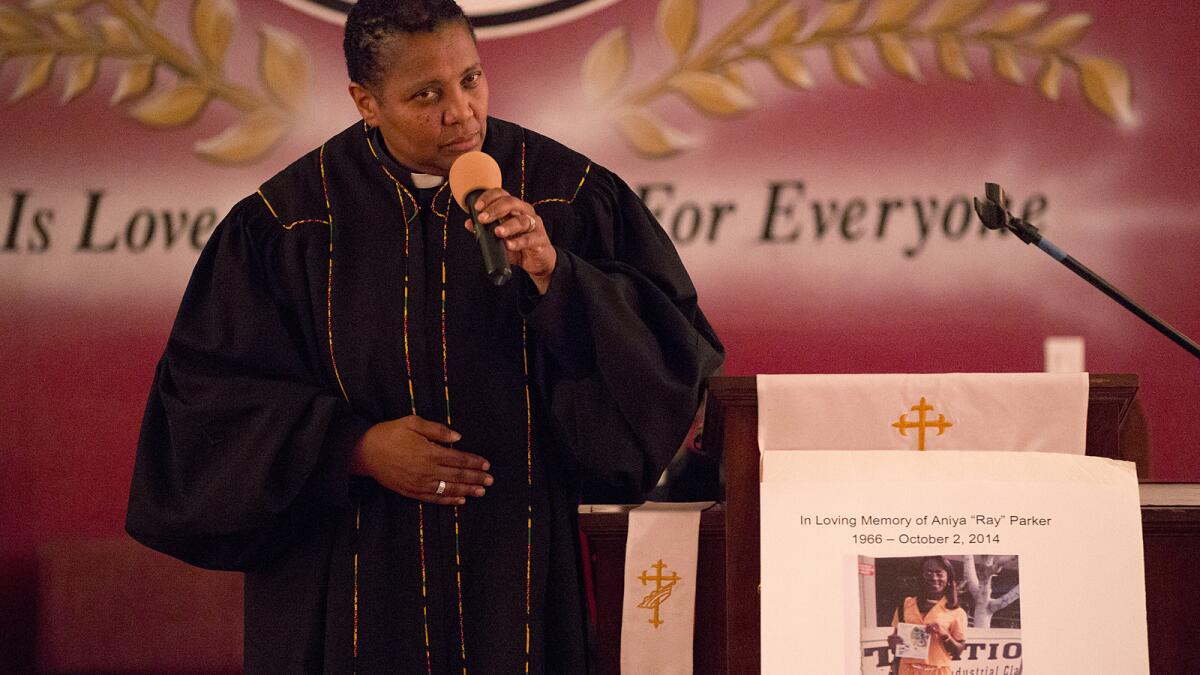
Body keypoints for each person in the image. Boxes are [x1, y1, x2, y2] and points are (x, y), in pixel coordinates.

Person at [124, 0, 724, 672]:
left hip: (517, 577)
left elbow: (671, 368)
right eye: (426, 94)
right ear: (366, 101)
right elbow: (204, 412)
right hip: (350, 585)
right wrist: (351, 446)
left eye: (470, 80)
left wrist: (559, 277)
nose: (462, 112)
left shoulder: (568, 195)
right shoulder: (285, 225)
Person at [887, 556, 969, 675]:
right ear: (921, 576)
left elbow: (958, 651)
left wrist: (945, 635)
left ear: (948, 578)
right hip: (906, 670)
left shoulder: (956, 612)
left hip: (938, 671)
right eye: (928, 572)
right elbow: (896, 641)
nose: (934, 577)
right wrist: (893, 642)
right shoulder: (905, 604)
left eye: (939, 573)